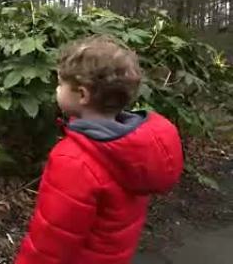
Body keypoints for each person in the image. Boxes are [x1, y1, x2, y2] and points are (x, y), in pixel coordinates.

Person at [14, 35, 184, 264]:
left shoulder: (74, 160)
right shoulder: (133, 150)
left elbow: (51, 241)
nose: (56, 89)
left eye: (60, 83)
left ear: (82, 94)